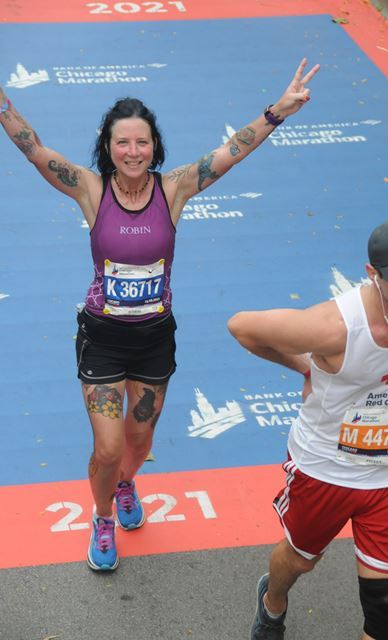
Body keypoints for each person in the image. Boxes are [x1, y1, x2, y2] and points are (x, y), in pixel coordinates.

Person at [0, 58, 319, 571]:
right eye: (122, 142)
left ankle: (127, 485)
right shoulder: (90, 188)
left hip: (153, 340)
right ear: (108, 146)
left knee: (140, 437)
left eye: (141, 142)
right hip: (102, 338)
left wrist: (279, 111)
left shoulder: (175, 188)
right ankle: (103, 515)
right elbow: (34, 149)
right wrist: (2, 104)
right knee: (107, 446)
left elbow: (231, 152)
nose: (132, 151)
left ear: (155, 146)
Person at [227, 217, 388, 640]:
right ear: (373, 276)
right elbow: (241, 326)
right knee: (299, 561)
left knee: (384, 610)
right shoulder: (334, 327)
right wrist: (303, 367)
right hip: (323, 470)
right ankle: (272, 601)